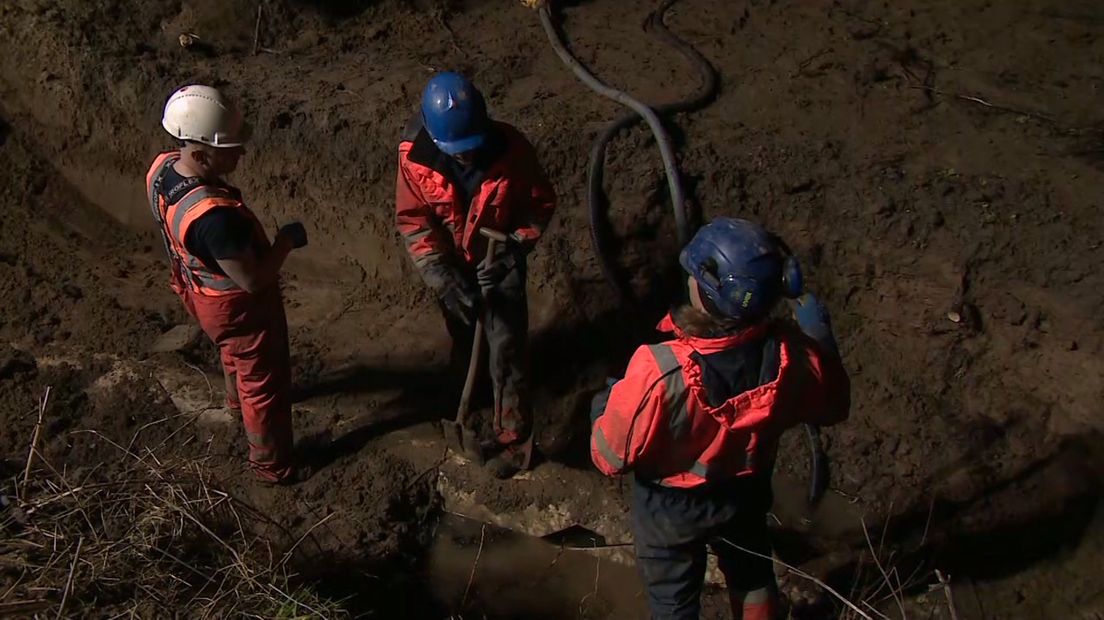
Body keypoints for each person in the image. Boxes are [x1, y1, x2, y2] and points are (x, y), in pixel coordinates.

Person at [589, 217, 851, 619]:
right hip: (743, 494)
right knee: (752, 573)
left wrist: (604, 404)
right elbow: (834, 405)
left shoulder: (658, 369)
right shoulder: (792, 356)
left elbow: (610, 457)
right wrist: (819, 336)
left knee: (672, 600)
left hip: (670, 508)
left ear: (706, 292)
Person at [395, 72, 556, 479]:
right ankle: (472, 401)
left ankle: (514, 435)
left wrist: (516, 245)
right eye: (457, 151)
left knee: (506, 345)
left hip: (499, 255)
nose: (466, 157)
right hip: (452, 263)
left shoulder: (512, 149)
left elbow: (541, 204)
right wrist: (438, 272)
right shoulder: (415, 157)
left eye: (470, 149)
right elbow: (414, 220)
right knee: (465, 332)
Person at [146, 85, 308, 484]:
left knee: (232, 354)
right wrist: (285, 241)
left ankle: (236, 406)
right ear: (200, 154)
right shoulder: (214, 220)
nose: (241, 153)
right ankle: (272, 467)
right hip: (237, 307)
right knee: (262, 383)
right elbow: (254, 278)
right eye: (230, 148)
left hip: (197, 290)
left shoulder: (162, 168)